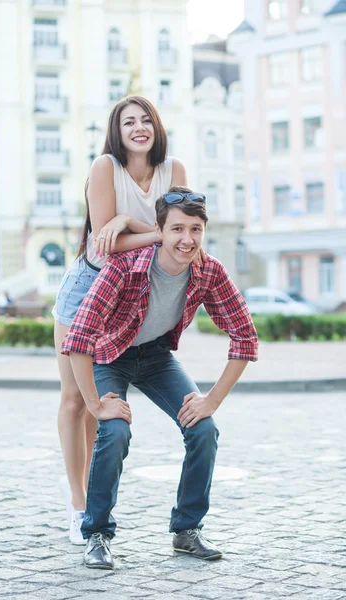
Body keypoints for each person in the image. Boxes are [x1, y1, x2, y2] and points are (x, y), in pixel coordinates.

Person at [60, 187, 259, 570]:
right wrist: (95, 405)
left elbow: (245, 336)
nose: (187, 240)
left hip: (155, 358)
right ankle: (96, 532)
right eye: (178, 229)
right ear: (160, 230)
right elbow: (80, 339)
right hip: (110, 356)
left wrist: (211, 400)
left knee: (203, 429)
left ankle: (187, 530)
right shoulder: (125, 266)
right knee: (114, 431)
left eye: (196, 230)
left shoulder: (210, 270)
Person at [52, 96, 189, 545]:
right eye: (129, 121)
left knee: (102, 410)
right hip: (87, 289)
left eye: (146, 119)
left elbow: (184, 230)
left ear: (156, 126)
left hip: (133, 294)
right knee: (77, 401)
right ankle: (78, 506)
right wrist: (146, 227)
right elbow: (106, 243)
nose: (139, 127)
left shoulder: (174, 171)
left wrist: (131, 222)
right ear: (118, 130)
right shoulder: (104, 168)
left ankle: (91, 499)